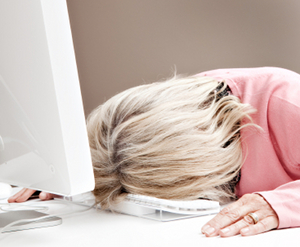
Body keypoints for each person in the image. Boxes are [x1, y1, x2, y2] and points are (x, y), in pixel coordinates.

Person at [9, 67, 300, 237]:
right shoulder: (166, 115)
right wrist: (73, 176)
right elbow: (123, 156)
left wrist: (280, 204)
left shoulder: (289, 102)